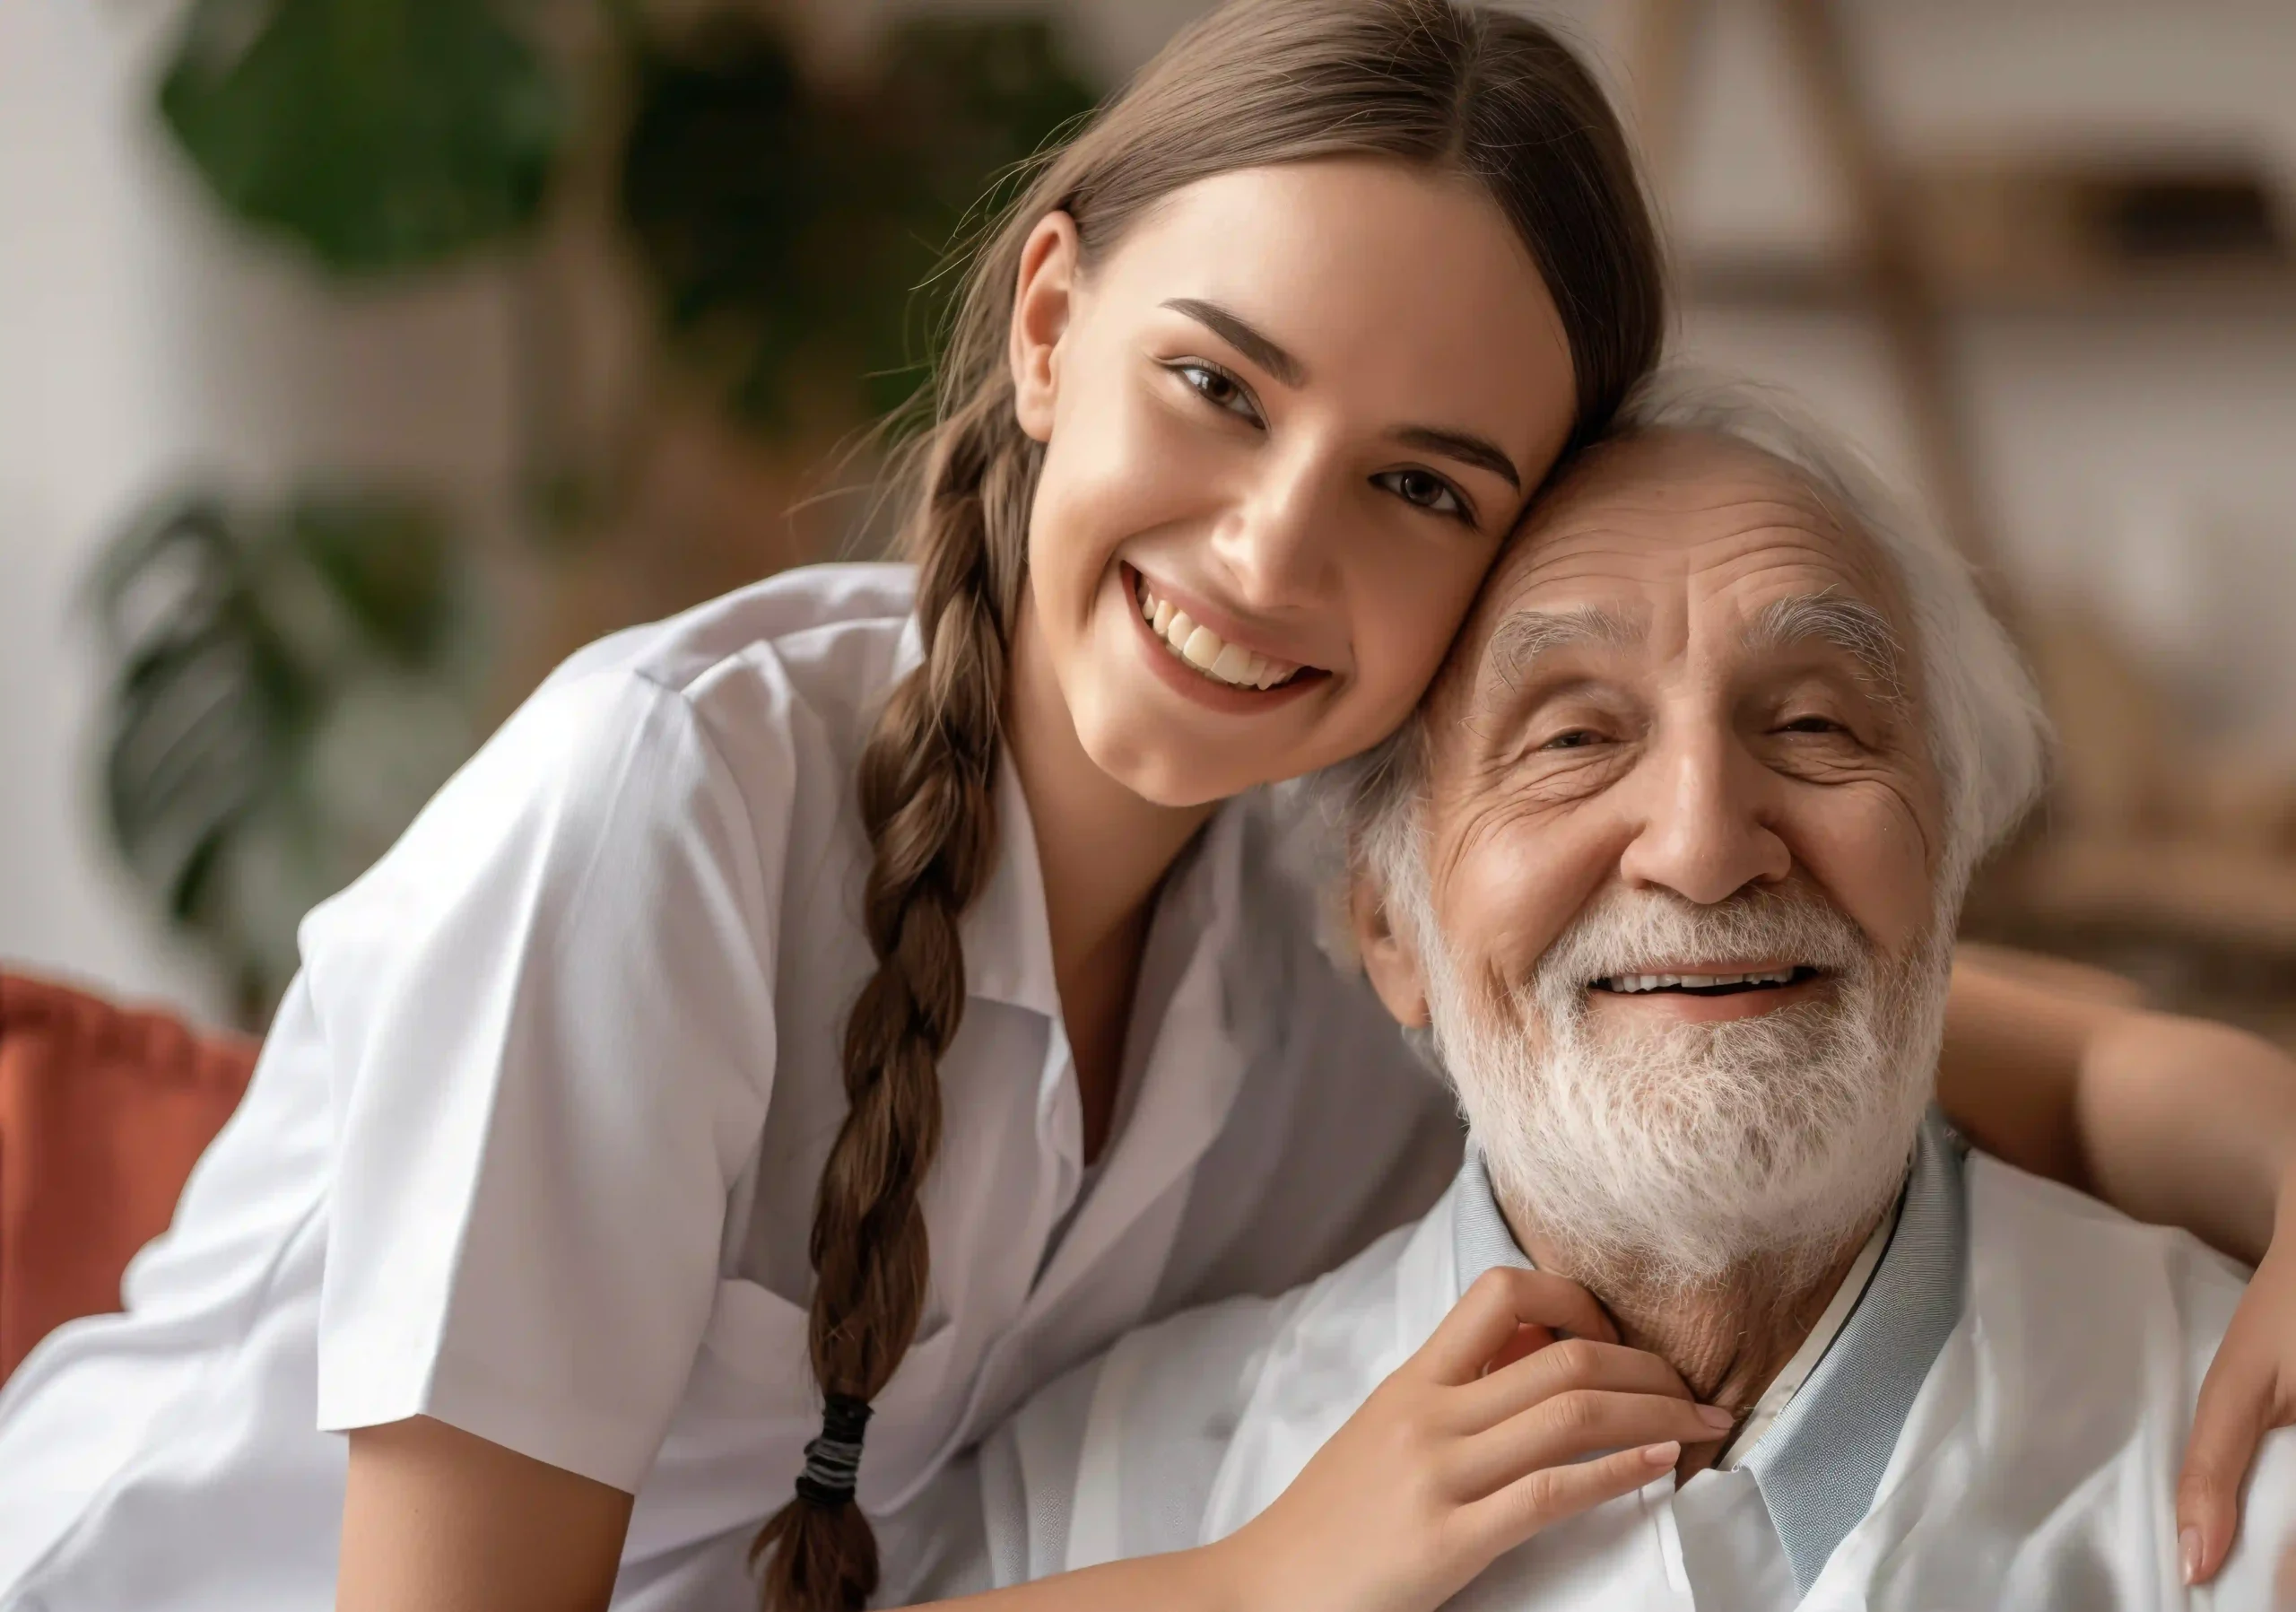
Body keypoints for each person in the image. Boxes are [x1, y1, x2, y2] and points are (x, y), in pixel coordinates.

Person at [0, 4, 2289, 1608]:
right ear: (1044, 321)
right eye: (1216, 385)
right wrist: (1265, 1579)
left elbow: (1818, 989)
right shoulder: (662, 815)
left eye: (1416, 486)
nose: (1273, 553)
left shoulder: (1321, 923)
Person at [935, 388, 2296, 1609]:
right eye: (1572, 738)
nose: (1703, 847)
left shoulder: (2240, 1429)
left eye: (1816, 724)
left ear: (1948, 859)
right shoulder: (1100, 1498)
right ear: (1387, 923)